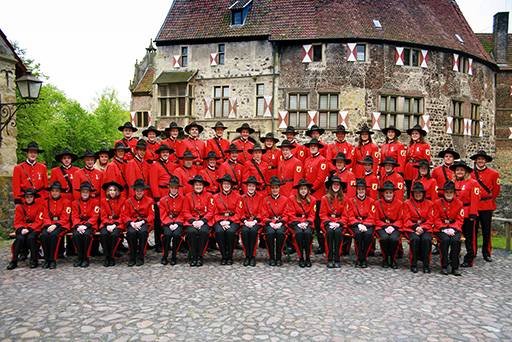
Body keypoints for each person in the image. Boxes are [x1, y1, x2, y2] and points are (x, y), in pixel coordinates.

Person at [470, 150, 501, 263]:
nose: (480, 161)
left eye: (482, 159)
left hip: (487, 205)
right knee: (473, 231)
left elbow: (496, 190)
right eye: (478, 159)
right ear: (476, 160)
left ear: (486, 160)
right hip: (474, 205)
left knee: (486, 230)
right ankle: (472, 252)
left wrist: (490, 200)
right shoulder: (471, 173)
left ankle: (486, 252)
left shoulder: (494, 174)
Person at [451, 160, 480, 267]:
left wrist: (473, 214)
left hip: (467, 212)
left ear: (466, 172)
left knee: (469, 237)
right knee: (456, 236)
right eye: (457, 170)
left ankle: (469, 258)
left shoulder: (473, 183)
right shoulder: (452, 183)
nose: (459, 172)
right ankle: (454, 256)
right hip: (455, 213)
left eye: (461, 170)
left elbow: (475, 199)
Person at [303, 138, 329, 254]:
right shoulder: (307, 160)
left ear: (318, 148)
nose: (312, 148)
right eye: (311, 146)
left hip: (317, 195)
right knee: (308, 219)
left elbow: (320, 178)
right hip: (307, 195)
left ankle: (322, 245)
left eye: (314, 146)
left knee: (318, 221)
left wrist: (311, 190)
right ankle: (306, 243)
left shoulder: (322, 160)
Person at [183, 175, 215, 267]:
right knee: (191, 232)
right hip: (192, 220)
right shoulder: (188, 196)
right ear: (193, 186)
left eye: (200, 185)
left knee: (203, 232)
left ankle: (200, 256)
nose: (198, 187)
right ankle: (193, 256)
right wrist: (193, 221)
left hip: (204, 220)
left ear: (203, 186)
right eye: (196, 185)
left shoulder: (209, 196)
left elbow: (211, 211)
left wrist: (203, 221)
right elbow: (185, 211)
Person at [7, 188, 44, 270]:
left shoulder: (39, 207)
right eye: (27, 197)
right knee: (19, 239)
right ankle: (14, 260)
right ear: (25, 198)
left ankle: (34, 259)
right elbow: (17, 221)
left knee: (31, 238)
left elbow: (39, 220)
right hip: (23, 228)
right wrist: (22, 229)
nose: (29, 198)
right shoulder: (20, 207)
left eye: (31, 196)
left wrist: (30, 229)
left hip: (34, 228)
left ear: (34, 197)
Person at [433, 181, 464, 276]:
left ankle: (455, 266)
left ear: (454, 193)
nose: (449, 194)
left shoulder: (459, 204)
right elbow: (436, 218)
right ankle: (444, 265)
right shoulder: (437, 203)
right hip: (441, 228)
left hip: (454, 227)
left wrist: (454, 229)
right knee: (445, 240)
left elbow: (460, 219)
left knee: (455, 240)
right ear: (444, 193)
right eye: (447, 192)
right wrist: (443, 229)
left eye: (451, 192)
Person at [402, 182, 434, 273]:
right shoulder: (407, 203)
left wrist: (423, 228)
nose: (418, 194)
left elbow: (430, 219)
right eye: (416, 192)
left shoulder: (430, 204)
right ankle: (414, 264)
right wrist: (415, 227)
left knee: (427, 240)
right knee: (415, 239)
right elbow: (406, 219)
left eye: (420, 192)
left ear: (423, 193)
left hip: (425, 227)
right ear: (413, 193)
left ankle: (426, 264)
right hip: (411, 227)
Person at [123, 178, 155, 266]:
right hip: (133, 222)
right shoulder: (128, 202)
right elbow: (125, 215)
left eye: (141, 190)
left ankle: (141, 257)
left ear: (144, 191)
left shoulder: (149, 201)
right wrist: (132, 223)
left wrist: (142, 222)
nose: (139, 192)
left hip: (145, 222)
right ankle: (132, 257)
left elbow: (151, 215)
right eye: (137, 190)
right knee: (131, 233)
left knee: (142, 233)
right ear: (134, 191)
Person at [212, 174, 243, 265]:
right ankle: (223, 255)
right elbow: (214, 212)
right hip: (220, 220)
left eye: (228, 184)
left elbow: (238, 213)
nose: (226, 186)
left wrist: (229, 221)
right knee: (219, 232)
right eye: (224, 184)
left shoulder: (238, 196)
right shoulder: (215, 197)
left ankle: (230, 255)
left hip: (233, 220)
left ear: (231, 186)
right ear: (221, 185)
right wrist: (221, 221)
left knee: (231, 232)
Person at [40, 181, 72, 269]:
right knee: (44, 236)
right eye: (53, 191)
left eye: (56, 191)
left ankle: (53, 259)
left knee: (54, 235)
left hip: (62, 224)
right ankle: (46, 259)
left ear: (60, 192)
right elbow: (45, 215)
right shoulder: (46, 202)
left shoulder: (66, 202)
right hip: (49, 224)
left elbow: (66, 217)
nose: (54, 193)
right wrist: (48, 225)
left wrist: (56, 225)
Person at [346, 178, 377, 268]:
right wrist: (358, 224)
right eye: (359, 189)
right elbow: (350, 216)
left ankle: (364, 257)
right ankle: (359, 258)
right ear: (356, 190)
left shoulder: (371, 201)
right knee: (358, 234)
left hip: (368, 224)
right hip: (355, 223)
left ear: (365, 190)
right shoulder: (351, 201)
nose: (361, 191)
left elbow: (372, 216)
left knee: (368, 235)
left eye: (363, 189)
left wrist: (365, 225)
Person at [319, 176, 348, 268]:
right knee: (329, 233)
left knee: (338, 233)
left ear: (340, 187)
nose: (336, 186)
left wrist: (338, 223)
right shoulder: (324, 198)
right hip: (328, 222)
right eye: (334, 184)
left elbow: (346, 215)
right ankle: (329, 258)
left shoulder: (345, 199)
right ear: (331, 186)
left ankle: (337, 258)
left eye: (337, 185)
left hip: (340, 221)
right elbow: (322, 214)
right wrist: (329, 222)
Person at [287, 179, 316, 267]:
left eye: (305, 189)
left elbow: (312, 215)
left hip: (307, 222)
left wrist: (306, 223)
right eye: (301, 189)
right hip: (296, 222)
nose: (303, 191)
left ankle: (308, 257)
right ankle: (301, 258)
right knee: (298, 233)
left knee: (308, 234)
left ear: (308, 190)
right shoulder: (292, 198)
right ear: (298, 190)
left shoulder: (313, 199)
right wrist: (298, 223)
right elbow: (291, 214)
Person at [71, 181, 100, 268]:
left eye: (87, 192)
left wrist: (86, 225)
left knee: (87, 235)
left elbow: (95, 216)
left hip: (90, 225)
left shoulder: (95, 202)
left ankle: (86, 258)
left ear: (90, 193)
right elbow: (74, 216)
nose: (85, 193)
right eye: (83, 191)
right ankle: (80, 257)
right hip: (79, 224)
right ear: (80, 192)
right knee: (76, 235)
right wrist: (78, 226)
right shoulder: (75, 203)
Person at [261, 176, 289, 266]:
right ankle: (272, 257)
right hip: (269, 223)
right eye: (273, 188)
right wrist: (271, 224)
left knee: (280, 233)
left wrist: (280, 223)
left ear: (279, 188)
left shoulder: (285, 200)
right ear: (270, 189)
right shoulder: (266, 200)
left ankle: (278, 257)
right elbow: (264, 215)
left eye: (276, 187)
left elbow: (286, 215)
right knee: (270, 233)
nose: (274, 190)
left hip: (281, 223)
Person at [374, 181, 403, 269]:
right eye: (386, 192)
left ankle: (393, 259)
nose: (388, 194)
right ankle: (385, 259)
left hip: (395, 226)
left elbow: (401, 219)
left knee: (394, 239)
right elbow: (376, 218)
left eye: (390, 192)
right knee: (384, 238)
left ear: (394, 193)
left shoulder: (399, 204)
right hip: (381, 226)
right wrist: (384, 226)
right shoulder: (377, 203)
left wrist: (393, 227)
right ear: (383, 194)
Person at [158, 176, 185, 265]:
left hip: (178, 222)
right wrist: (169, 224)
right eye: (172, 187)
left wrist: (177, 223)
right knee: (167, 234)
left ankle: (174, 255)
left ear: (178, 189)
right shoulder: (163, 200)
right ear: (169, 188)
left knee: (177, 234)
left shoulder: (183, 199)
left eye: (175, 188)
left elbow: (183, 212)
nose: (173, 190)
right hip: (167, 222)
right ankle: (165, 255)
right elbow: (162, 215)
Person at [13, 141, 48, 205]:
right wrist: (17, 199)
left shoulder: (43, 167)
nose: (33, 154)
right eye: (31, 152)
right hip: (25, 199)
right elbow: (16, 186)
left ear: (37, 154)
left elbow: (45, 185)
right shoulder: (18, 168)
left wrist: (46, 198)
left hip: (40, 199)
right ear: (27, 153)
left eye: (35, 152)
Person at [99, 181, 126, 267]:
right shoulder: (103, 201)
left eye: (114, 190)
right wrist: (107, 225)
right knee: (103, 234)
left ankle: (112, 256)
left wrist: (115, 225)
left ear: (117, 191)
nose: (112, 192)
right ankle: (107, 256)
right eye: (110, 190)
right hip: (106, 222)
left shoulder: (122, 200)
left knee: (114, 235)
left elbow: (123, 215)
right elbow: (103, 215)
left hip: (118, 223)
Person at [240, 176, 265, 266]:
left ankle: (253, 256)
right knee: (245, 232)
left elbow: (261, 212)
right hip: (245, 221)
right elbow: (240, 212)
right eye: (249, 186)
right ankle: (247, 256)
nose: (251, 188)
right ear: (246, 187)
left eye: (253, 186)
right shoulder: (242, 198)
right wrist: (246, 221)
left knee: (254, 232)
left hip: (256, 221)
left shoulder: (260, 197)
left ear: (255, 187)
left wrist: (254, 221)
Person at [404, 124, 431, 198]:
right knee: (409, 189)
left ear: (420, 135)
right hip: (408, 171)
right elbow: (405, 159)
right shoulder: (409, 146)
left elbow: (426, 160)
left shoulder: (425, 146)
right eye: (413, 133)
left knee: (417, 189)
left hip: (418, 170)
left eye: (416, 133)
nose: (414, 135)